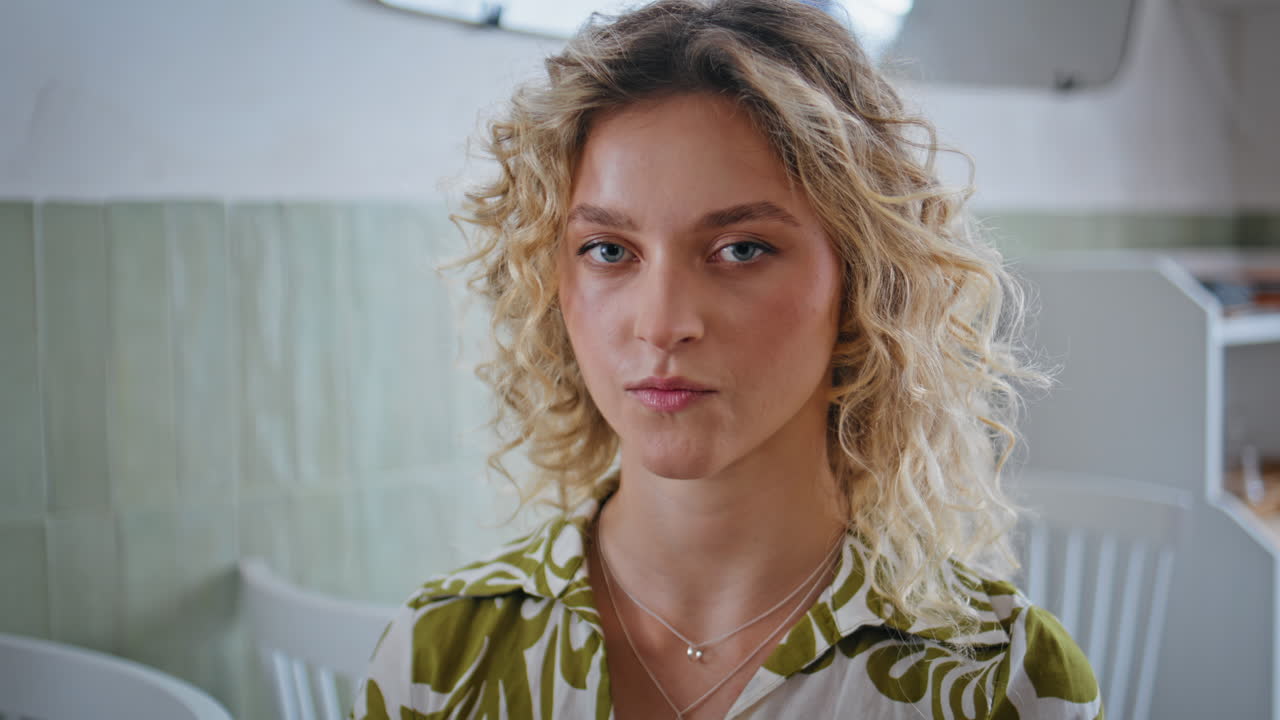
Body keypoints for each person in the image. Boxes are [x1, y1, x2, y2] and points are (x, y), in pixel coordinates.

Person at [351, 0, 1102, 718]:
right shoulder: (439, 667)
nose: (663, 323)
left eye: (742, 249)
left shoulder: (1005, 686)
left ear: (863, 283)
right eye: (608, 250)